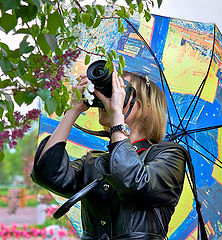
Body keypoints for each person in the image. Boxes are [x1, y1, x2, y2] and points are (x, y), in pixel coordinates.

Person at [31, 67, 188, 240]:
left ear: (147, 108)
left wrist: (117, 120)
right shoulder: (94, 161)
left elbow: (134, 182)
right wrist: (73, 110)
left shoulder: (171, 155)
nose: (110, 96)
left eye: (120, 90)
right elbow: (47, 174)